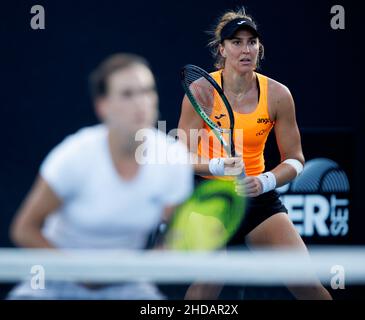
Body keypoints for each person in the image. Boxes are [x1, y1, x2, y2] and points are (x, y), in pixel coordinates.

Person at [8, 53, 193, 299]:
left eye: (147, 91)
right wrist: (80, 273)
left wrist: (160, 256)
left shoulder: (173, 159)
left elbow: (172, 236)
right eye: (128, 94)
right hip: (52, 281)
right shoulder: (74, 155)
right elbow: (24, 229)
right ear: (102, 106)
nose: (141, 103)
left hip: (128, 285)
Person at [178, 8, 332, 300]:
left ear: (259, 48)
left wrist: (264, 182)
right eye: (236, 42)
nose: (245, 49)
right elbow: (180, 159)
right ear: (221, 49)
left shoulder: (278, 95)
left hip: (257, 197)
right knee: (211, 276)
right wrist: (218, 166)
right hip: (208, 195)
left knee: (309, 285)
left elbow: (296, 160)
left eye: (252, 41)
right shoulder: (201, 91)